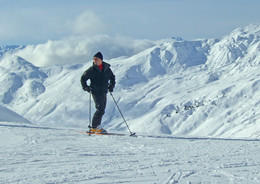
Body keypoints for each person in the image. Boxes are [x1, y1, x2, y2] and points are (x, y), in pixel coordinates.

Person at [81, 52, 115, 133]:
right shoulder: (92, 69)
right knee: (99, 109)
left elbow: (112, 76)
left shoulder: (106, 68)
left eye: (96, 59)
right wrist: (85, 87)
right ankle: (95, 127)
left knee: (102, 109)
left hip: (104, 91)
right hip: (95, 92)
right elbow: (83, 78)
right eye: (94, 59)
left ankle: (96, 126)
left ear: (101, 60)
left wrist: (111, 85)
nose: (95, 61)